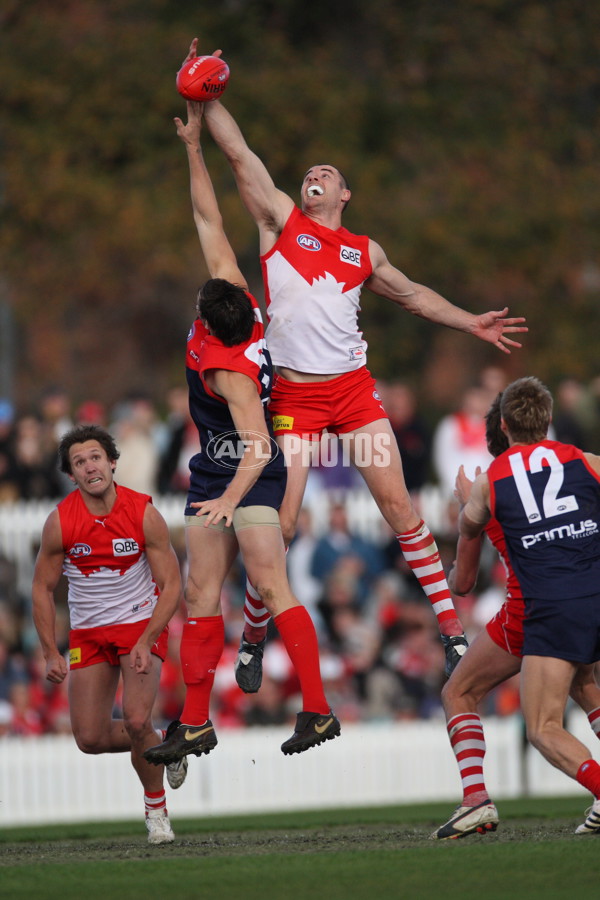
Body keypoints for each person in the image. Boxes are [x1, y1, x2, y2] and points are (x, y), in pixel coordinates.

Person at [185, 38, 528, 684]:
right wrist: (203, 95)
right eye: (311, 170)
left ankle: (453, 634)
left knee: (401, 510)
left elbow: (416, 297)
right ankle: (256, 637)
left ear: (345, 193)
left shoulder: (362, 253)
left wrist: (471, 320)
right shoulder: (281, 220)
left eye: (328, 172)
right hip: (292, 401)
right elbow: (239, 154)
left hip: (351, 394)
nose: (316, 174)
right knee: (280, 522)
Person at [142, 99, 340, 769]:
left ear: (205, 318)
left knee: (269, 578)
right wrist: (192, 147)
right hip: (213, 471)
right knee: (201, 593)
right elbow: (207, 215)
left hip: (253, 468)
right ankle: (195, 723)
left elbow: (258, 445)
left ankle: (316, 705)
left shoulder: (226, 368)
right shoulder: (235, 293)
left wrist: (231, 500)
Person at [431, 392, 600, 839]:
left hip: (535, 608)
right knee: (586, 686)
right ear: (547, 420)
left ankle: (475, 800)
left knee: (463, 694)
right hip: (591, 595)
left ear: (502, 429)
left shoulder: (489, 485)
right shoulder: (582, 460)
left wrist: (469, 511)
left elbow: (463, 583)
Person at [31, 425, 185, 845]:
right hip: (89, 634)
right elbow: (42, 589)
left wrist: (146, 638)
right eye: (79, 462)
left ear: (112, 462)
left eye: (95, 457)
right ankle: (168, 740)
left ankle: (157, 813)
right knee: (90, 738)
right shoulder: (60, 522)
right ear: (72, 475)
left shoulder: (143, 513)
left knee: (136, 718)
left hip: (140, 625)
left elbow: (172, 584)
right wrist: (50, 651)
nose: (89, 466)